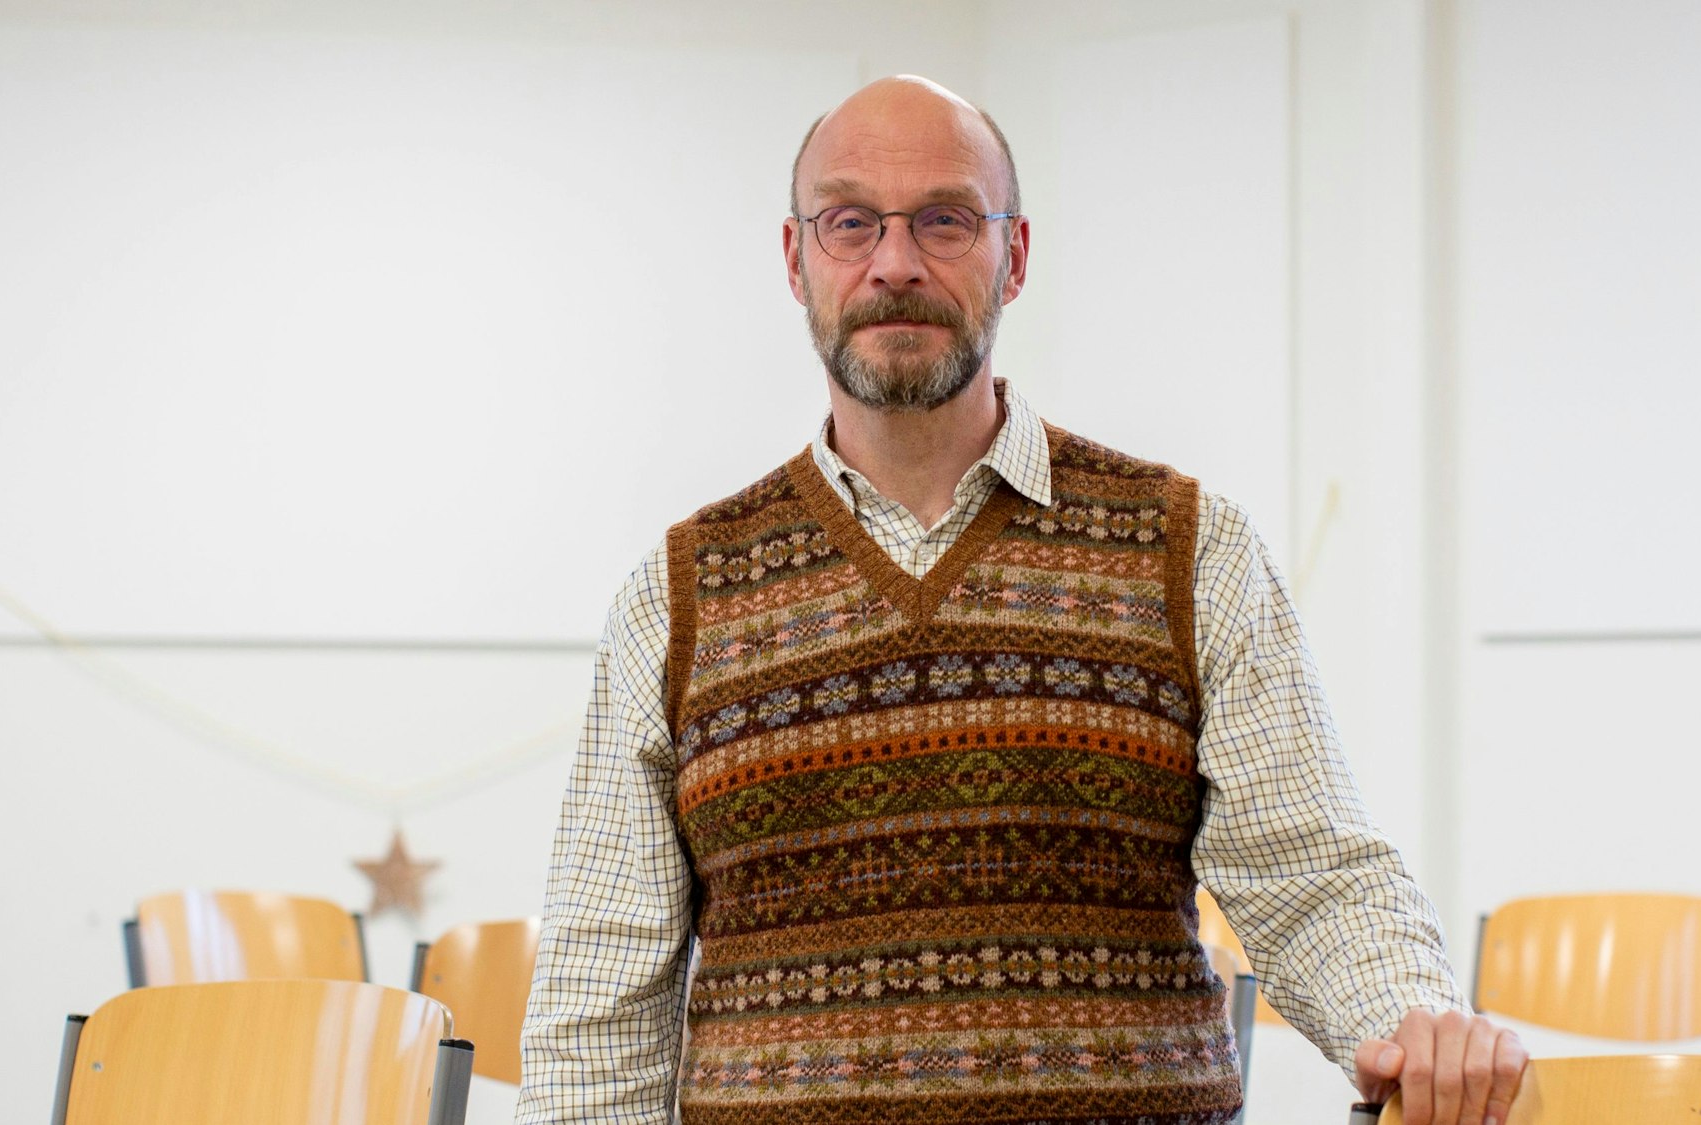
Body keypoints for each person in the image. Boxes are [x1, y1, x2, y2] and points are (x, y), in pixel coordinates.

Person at [517, 74, 1526, 1125]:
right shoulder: (674, 599)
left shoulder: (1187, 551)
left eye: (944, 221)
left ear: (1015, 256)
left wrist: (1418, 1026)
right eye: (850, 222)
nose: (894, 262)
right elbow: (599, 1013)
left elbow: (1308, 875)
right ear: (795, 257)